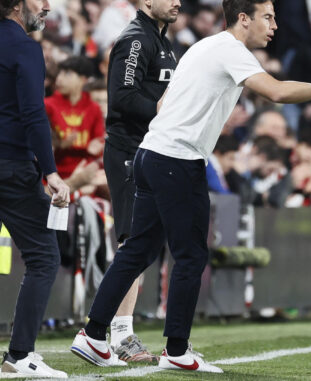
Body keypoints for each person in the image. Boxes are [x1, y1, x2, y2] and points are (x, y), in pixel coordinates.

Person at [70, 0, 311, 373]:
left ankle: (92, 335)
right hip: (177, 159)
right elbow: (277, 92)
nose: (274, 26)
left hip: (151, 154)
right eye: (267, 18)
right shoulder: (228, 49)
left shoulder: (204, 46)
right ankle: (177, 349)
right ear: (243, 19)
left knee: (138, 250)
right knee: (190, 255)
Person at [96, 0, 181, 364]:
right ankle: (118, 335)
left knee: (144, 244)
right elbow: (122, 97)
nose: (178, 1)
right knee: (134, 241)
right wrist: (166, 110)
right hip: (128, 151)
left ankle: (115, 330)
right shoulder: (135, 40)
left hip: (149, 150)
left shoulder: (162, 42)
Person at [0, 0, 71, 377]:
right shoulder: (24, 47)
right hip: (10, 168)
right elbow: (32, 113)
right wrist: (50, 172)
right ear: (15, 5)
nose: (46, 6)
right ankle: (19, 354)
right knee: (44, 257)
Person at [45, 56, 105, 179]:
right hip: (53, 175)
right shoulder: (47, 105)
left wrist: (96, 148)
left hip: (85, 173)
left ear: (83, 79)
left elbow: (98, 143)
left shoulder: (94, 108)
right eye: (59, 73)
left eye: (67, 74)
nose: (59, 79)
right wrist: (60, 145)